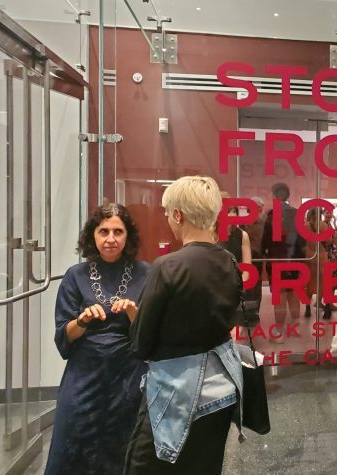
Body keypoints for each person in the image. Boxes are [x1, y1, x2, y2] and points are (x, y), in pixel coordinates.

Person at [124, 176, 244, 474]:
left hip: (175, 394)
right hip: (221, 388)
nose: (167, 219)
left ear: (178, 214)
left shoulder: (168, 266)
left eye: (167, 213)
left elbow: (141, 342)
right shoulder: (229, 260)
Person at [45, 204, 149, 475]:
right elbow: (63, 336)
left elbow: (150, 334)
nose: (111, 239)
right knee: (71, 442)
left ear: (128, 236)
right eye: (103, 231)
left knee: (124, 446)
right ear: (93, 235)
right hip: (84, 374)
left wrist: (132, 313)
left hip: (129, 376)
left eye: (118, 231)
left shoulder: (145, 273)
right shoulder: (75, 276)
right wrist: (82, 320)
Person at [262, 182, 303, 340]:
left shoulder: (272, 214)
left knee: (280, 295)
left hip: (277, 259)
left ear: (274, 196)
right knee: (293, 293)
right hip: (295, 259)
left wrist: (266, 254)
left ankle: (279, 331)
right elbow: (301, 239)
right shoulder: (296, 213)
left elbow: (265, 240)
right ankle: (295, 329)